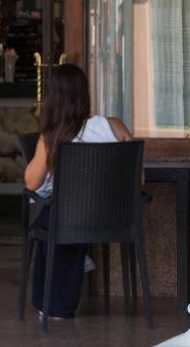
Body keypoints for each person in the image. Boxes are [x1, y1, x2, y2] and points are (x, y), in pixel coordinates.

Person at [23, 63, 133, 319]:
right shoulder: (115, 127)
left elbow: (31, 183)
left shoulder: (52, 137)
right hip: (114, 220)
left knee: (48, 217)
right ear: (85, 94)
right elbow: (137, 179)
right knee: (61, 215)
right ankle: (79, 255)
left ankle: (52, 304)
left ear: (53, 99)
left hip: (70, 221)